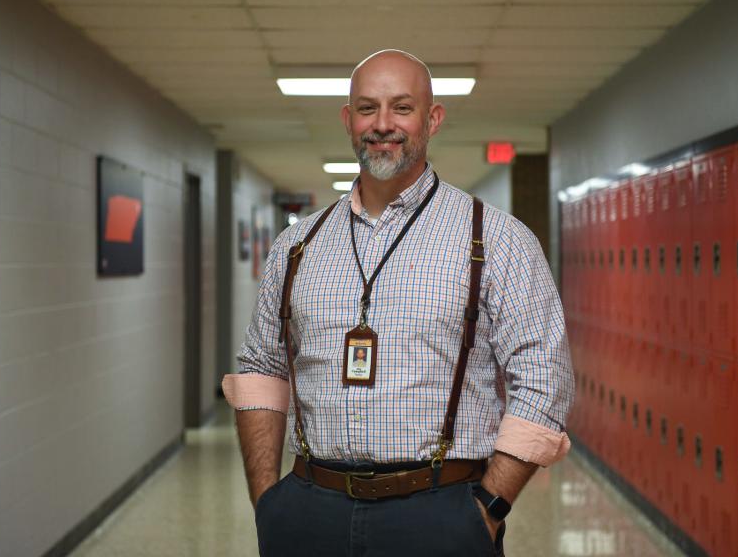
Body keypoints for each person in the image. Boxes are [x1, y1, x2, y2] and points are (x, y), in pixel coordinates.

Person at [222, 49, 574, 556]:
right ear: (348, 120)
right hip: (308, 510)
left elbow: (545, 380)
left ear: (432, 119)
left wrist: (488, 511)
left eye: (401, 108)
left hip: (439, 513)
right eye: (367, 108)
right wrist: (267, 503)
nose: (382, 124)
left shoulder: (495, 239)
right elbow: (261, 368)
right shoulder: (297, 246)